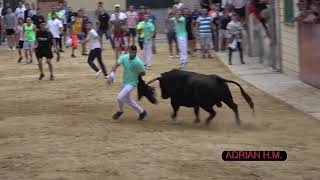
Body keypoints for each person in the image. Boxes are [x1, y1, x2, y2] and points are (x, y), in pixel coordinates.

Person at [107, 45, 148, 121]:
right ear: (129, 51)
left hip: (132, 83)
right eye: (132, 52)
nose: (133, 54)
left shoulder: (138, 62)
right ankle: (142, 112)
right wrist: (112, 73)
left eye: (134, 52)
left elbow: (143, 73)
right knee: (128, 100)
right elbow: (116, 64)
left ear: (136, 52)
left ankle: (120, 111)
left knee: (120, 97)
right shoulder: (124, 57)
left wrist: (136, 74)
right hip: (125, 81)